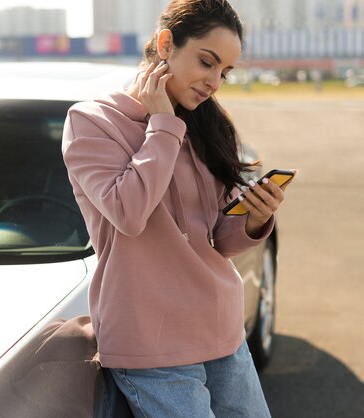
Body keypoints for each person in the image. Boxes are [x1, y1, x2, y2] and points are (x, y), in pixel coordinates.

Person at [62, 0, 295, 416]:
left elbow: (213, 240)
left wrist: (256, 218)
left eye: (224, 72)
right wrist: (164, 126)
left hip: (221, 328)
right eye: (207, 62)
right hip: (151, 343)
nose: (214, 82)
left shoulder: (206, 124)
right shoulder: (92, 123)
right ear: (166, 43)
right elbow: (128, 214)